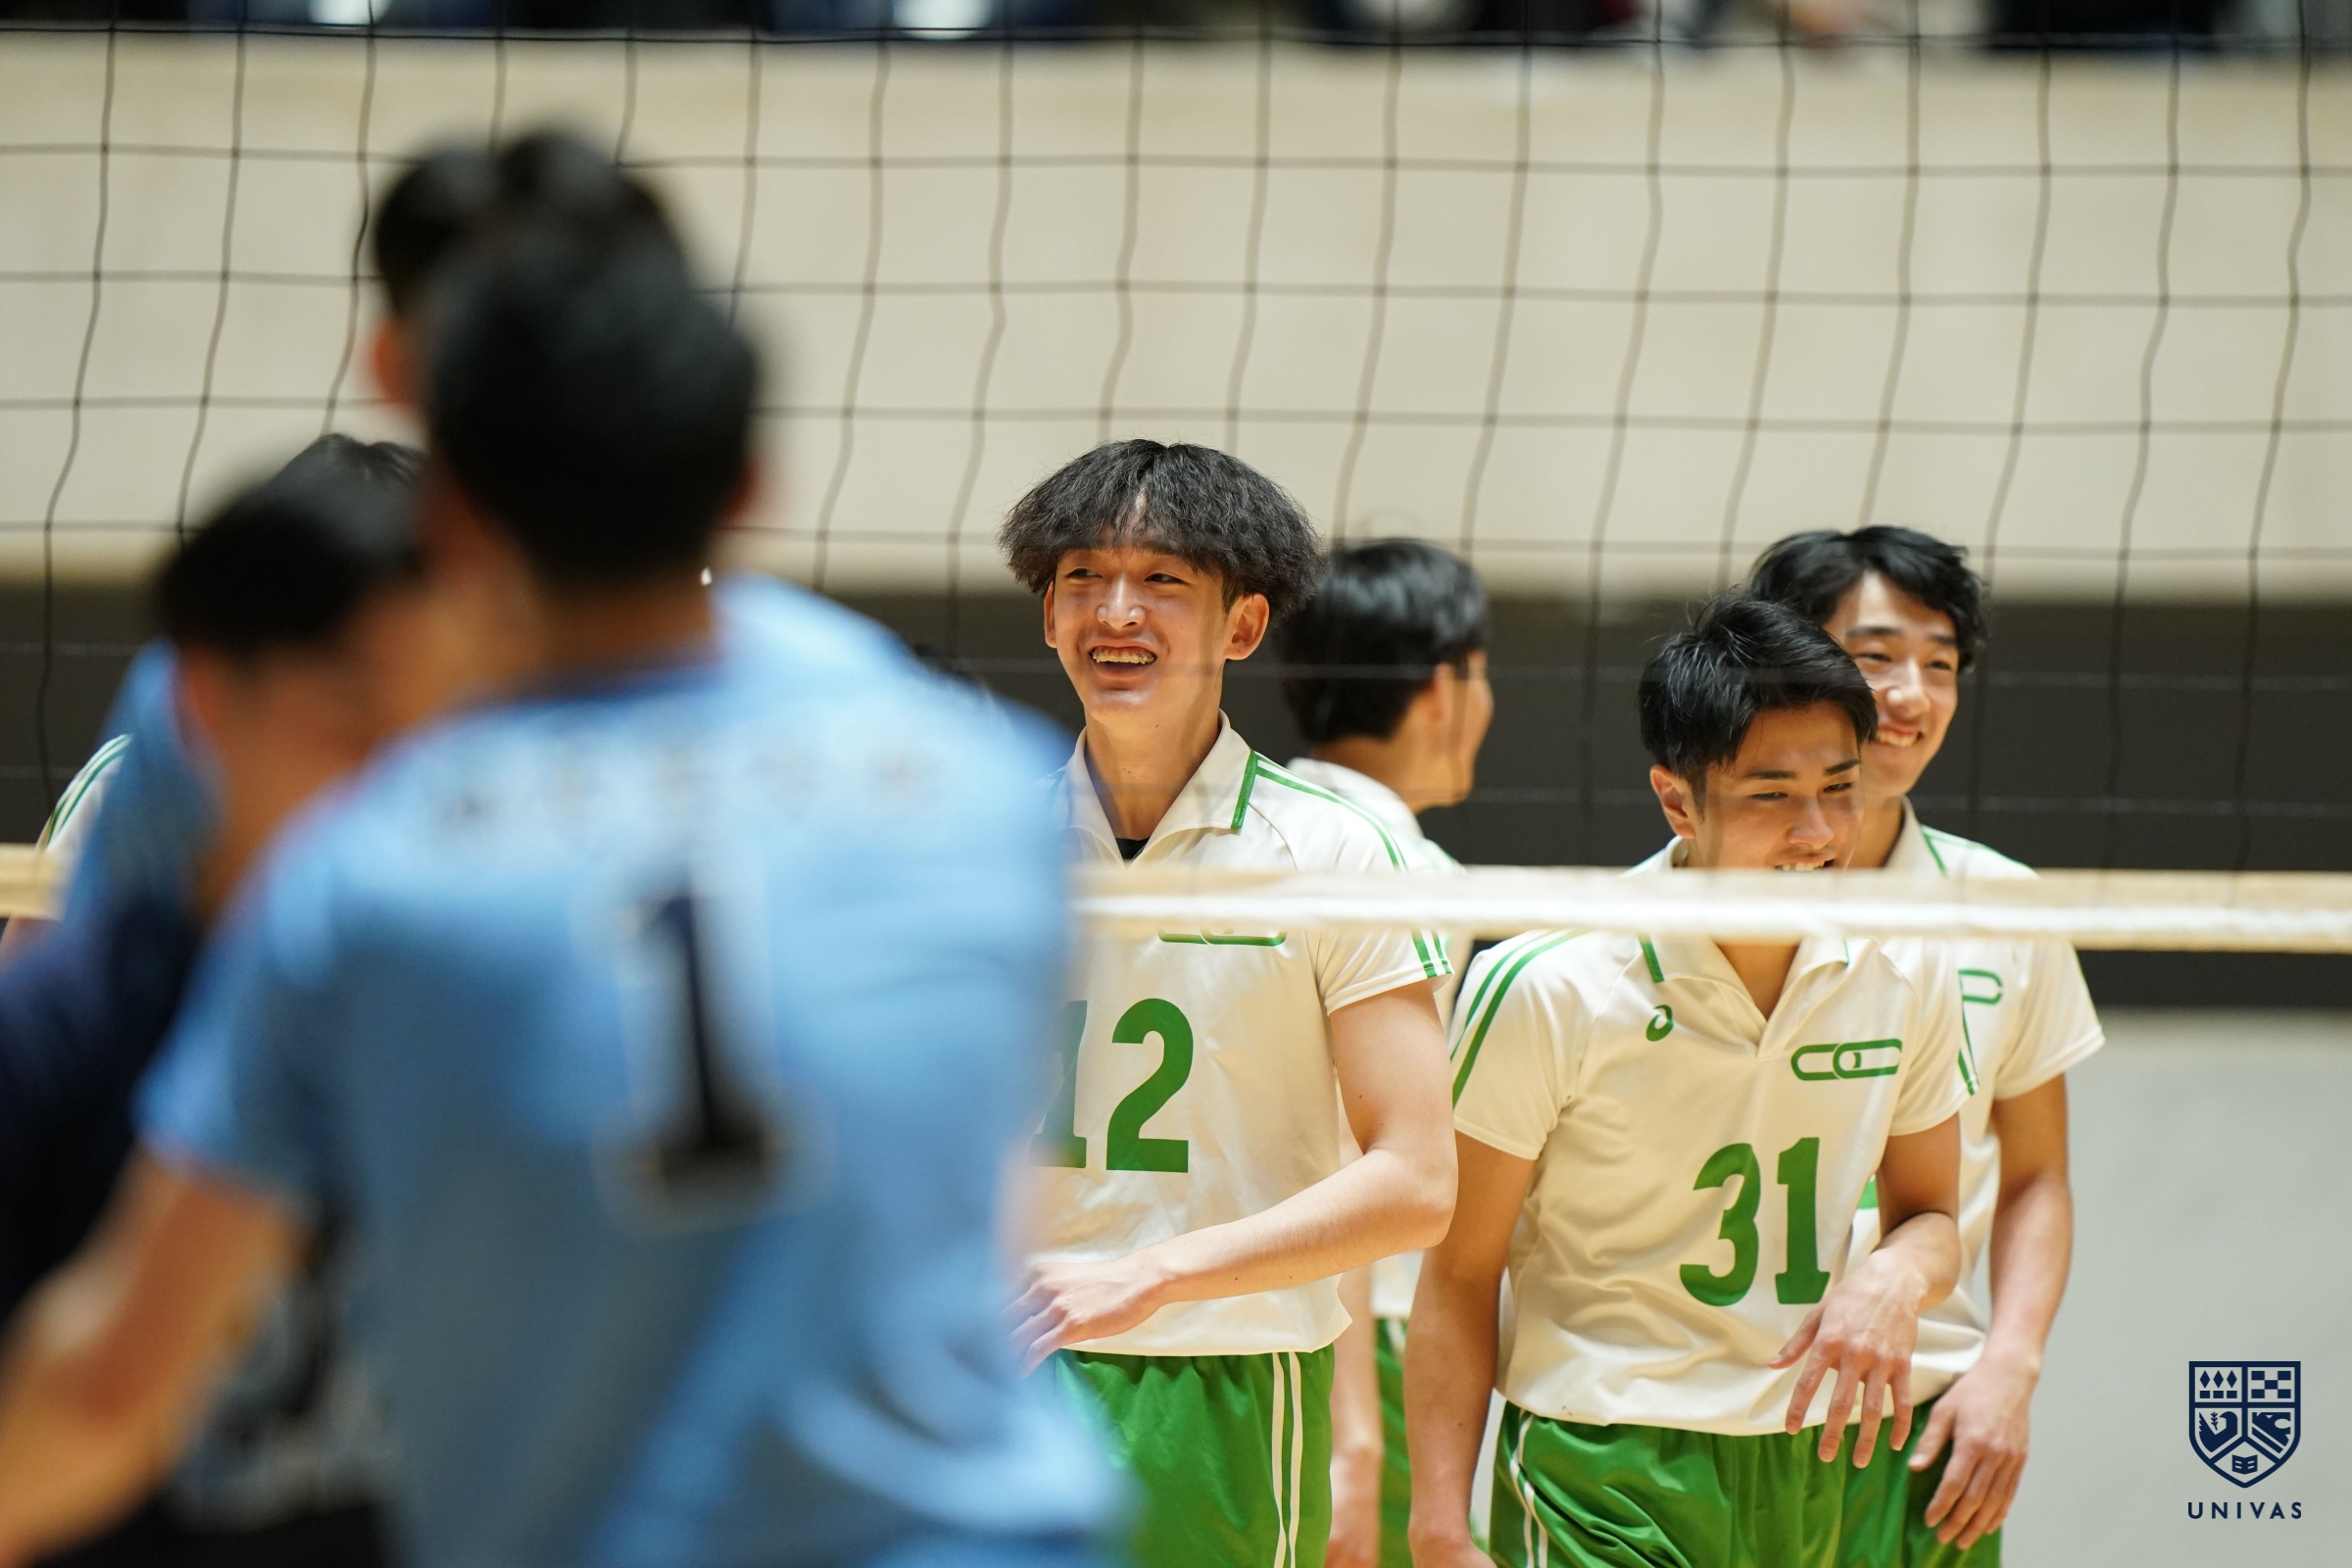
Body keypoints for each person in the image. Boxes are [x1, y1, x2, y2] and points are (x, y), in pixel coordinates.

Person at [0, 222, 1114, 1568]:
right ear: (750, 485)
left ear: (452, 516)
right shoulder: (984, 792)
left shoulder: (374, 862)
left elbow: (115, 1389)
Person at [1405, 594, 1969, 1568]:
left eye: (1840, 788)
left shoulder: (1907, 966)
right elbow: (1459, 1272)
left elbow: (1935, 1218)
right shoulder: (1552, 982)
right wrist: (1439, 1526)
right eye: (1772, 797)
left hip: (1806, 1464)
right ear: (1678, 801)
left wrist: (1896, 1273)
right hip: (1602, 1462)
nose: (1816, 832)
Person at [1002, 440, 1458, 1568]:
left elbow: (1416, 1180)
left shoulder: (1332, 851)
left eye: (1162, 580)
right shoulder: (980, 840)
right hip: (1005, 1366)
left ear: (1243, 624)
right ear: (1050, 614)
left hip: (1230, 1383)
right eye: (1084, 578)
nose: (1117, 611)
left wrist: (1150, 1273)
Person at [0, 435, 445, 1568]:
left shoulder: (498, 1028)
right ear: (205, 699)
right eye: (353, 720)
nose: (403, 775)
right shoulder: (67, 1037)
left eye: (446, 725)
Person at [1747, 526, 2105, 1564]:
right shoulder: (1687, 902)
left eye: (1940, 664)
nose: (1912, 695)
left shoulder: (2001, 905)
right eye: (1875, 656)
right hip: (1716, 1403)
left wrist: (2012, 1366)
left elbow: (2036, 1175)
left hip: (1921, 1417)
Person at [1273, 539, 1492, 1568]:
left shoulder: (1250, 826)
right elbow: (1348, 1154)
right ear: (1446, 687)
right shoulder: (1405, 867)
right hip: (1352, 1335)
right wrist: (1355, 1430)